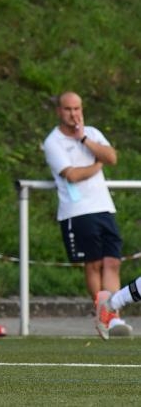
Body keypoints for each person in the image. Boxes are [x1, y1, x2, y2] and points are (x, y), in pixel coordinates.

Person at [43, 91, 132, 337]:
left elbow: (111, 157)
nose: (74, 114)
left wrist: (85, 141)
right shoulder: (53, 142)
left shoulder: (91, 133)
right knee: (93, 264)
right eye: (68, 109)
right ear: (59, 112)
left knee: (112, 262)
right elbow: (71, 174)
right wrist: (96, 164)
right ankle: (104, 315)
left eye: (77, 109)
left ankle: (114, 314)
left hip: (103, 206)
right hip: (78, 210)